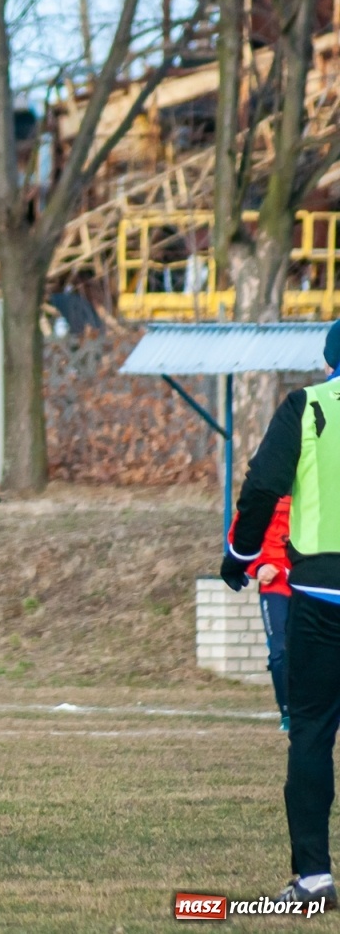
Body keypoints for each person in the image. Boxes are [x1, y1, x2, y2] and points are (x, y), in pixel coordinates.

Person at [224, 319, 340, 908]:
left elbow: (263, 485)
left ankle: (314, 877)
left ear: (329, 363)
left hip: (321, 598)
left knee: (312, 736)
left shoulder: (308, 406)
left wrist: (239, 555)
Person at [232, 497, 293, 731]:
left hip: (309, 584)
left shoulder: (316, 495)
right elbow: (238, 542)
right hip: (275, 586)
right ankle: (287, 712)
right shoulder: (259, 497)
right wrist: (258, 567)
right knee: (280, 650)